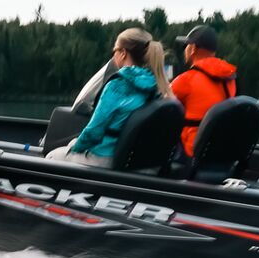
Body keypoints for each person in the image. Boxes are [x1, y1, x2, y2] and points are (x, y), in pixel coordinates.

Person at [47, 27, 169, 167]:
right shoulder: (156, 85)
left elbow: (94, 131)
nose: (113, 55)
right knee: (72, 143)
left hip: (105, 157)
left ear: (123, 53)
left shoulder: (118, 85)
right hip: (129, 157)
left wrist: (73, 150)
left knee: (52, 156)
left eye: (115, 50)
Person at [169, 24, 239, 157]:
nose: (184, 50)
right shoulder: (230, 79)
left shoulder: (186, 80)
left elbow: (159, 107)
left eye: (186, 46)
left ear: (193, 48)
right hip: (219, 150)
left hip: (192, 153)